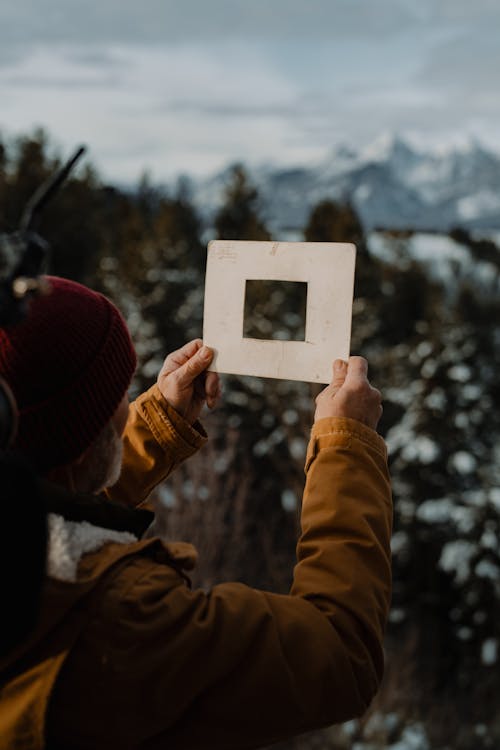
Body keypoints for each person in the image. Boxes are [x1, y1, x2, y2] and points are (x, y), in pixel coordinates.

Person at [0, 275, 392, 750]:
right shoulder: (122, 619)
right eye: (119, 396)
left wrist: (156, 426)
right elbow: (337, 655)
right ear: (84, 439)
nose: (127, 408)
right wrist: (346, 446)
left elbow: (49, 489)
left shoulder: (28, 561)